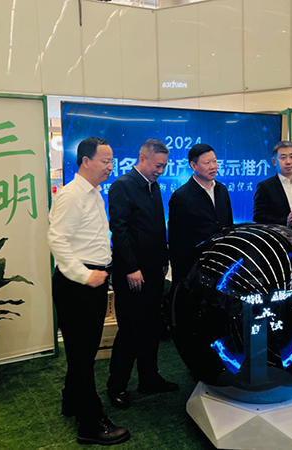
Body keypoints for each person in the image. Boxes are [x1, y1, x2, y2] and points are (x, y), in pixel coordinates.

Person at [48, 137, 130, 446]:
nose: (110, 167)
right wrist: (84, 275)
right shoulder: (72, 195)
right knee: (83, 355)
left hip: (91, 281)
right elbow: (57, 240)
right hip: (78, 284)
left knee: (82, 351)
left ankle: (71, 400)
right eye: (105, 161)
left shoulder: (94, 193)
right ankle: (90, 423)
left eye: (111, 162)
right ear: (86, 161)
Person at [107, 138, 179, 409]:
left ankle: (149, 379)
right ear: (142, 158)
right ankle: (117, 386)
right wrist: (132, 267)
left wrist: (163, 260)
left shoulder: (154, 186)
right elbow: (119, 230)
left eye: (164, 166)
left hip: (154, 270)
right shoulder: (123, 186)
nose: (160, 170)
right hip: (132, 273)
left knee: (151, 327)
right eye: (157, 165)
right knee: (130, 331)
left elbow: (159, 228)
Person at [168, 143, 233, 285]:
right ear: (193, 165)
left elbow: (229, 226)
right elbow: (176, 242)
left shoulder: (222, 190)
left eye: (214, 161)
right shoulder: (181, 197)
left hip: (221, 267)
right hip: (194, 270)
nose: (213, 166)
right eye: (207, 163)